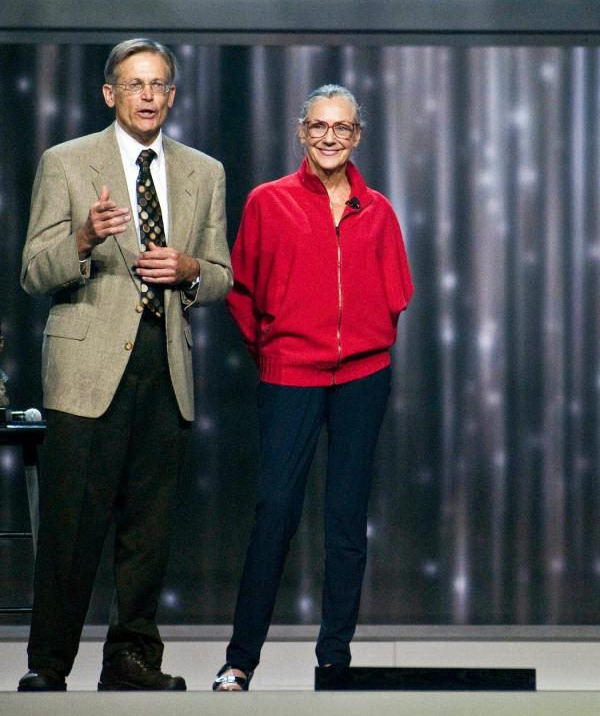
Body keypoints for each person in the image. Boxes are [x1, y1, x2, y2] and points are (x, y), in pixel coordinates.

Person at [18, 38, 232, 691]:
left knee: (149, 528)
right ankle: (49, 665)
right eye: (134, 84)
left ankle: (132, 660)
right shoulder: (68, 161)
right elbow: (32, 270)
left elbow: (222, 273)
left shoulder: (205, 171)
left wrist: (190, 269)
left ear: (171, 95)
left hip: (163, 361)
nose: (147, 95)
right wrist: (82, 240)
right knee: (69, 525)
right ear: (110, 93)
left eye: (159, 84)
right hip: (86, 367)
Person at [213, 84, 413, 691]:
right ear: (303, 132)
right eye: (320, 126)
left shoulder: (376, 209)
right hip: (289, 374)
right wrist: (279, 352)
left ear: (357, 136)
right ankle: (240, 659)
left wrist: (365, 344)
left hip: (362, 377)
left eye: (343, 128)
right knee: (275, 511)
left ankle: (335, 658)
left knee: (347, 520)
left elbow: (396, 292)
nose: (330, 136)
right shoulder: (268, 202)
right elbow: (243, 293)